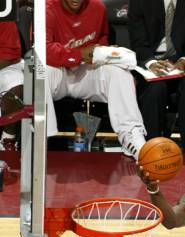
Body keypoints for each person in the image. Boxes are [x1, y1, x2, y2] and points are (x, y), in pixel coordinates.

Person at [45, 0, 146, 156]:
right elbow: (43, 49)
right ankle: (43, 137)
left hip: (86, 69)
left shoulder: (97, 7)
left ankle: (132, 137)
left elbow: (102, 37)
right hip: (58, 71)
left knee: (119, 73)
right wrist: (78, 55)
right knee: (39, 73)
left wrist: (104, 52)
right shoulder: (47, 7)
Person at [128, 0, 185, 151]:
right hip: (150, 59)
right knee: (155, 89)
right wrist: (151, 62)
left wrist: (183, 61)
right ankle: (151, 148)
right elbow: (138, 42)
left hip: (184, 59)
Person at [0, 22, 24, 151]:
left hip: (5, 66)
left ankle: (7, 140)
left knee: (16, 84)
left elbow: (7, 55)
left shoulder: (4, 14)